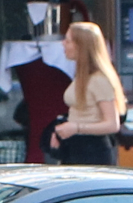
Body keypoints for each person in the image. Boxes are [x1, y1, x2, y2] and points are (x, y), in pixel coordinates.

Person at [49, 20, 124, 167]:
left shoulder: (99, 79)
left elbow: (112, 124)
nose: (63, 44)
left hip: (93, 150)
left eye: (68, 41)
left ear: (80, 46)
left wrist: (76, 128)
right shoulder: (82, 76)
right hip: (75, 145)